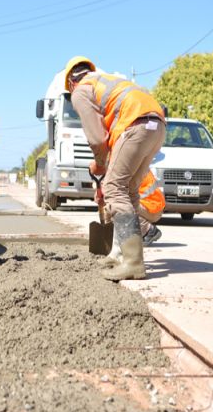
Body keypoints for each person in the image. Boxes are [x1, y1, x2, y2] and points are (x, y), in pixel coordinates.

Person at [65, 56, 166, 281]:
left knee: (114, 188)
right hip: (156, 125)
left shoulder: (81, 91)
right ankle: (120, 254)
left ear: (71, 82)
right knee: (129, 191)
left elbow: (97, 139)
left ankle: (133, 263)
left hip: (136, 124)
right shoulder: (108, 81)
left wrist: (100, 164)